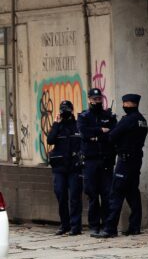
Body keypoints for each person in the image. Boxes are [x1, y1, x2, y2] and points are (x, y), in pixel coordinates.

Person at [96, 94, 148, 238]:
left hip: (125, 161)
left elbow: (113, 136)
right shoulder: (142, 121)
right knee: (133, 193)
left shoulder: (128, 120)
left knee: (116, 193)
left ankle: (110, 229)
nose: (123, 105)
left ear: (129, 104)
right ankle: (134, 227)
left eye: (125, 103)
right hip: (136, 160)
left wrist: (106, 132)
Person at [78, 87, 116, 237]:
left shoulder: (108, 115)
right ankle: (94, 225)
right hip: (90, 161)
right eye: (94, 99)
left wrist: (96, 135)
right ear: (89, 100)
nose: (97, 101)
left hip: (106, 159)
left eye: (99, 99)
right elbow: (84, 133)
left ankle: (107, 225)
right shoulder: (84, 116)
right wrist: (101, 130)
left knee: (107, 194)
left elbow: (113, 133)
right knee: (92, 194)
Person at [47, 100, 82, 236]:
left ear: (72, 110)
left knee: (74, 197)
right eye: (63, 109)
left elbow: (82, 143)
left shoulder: (77, 125)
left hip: (74, 167)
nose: (65, 112)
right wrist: (56, 123)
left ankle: (75, 226)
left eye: (67, 109)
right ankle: (64, 225)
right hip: (59, 168)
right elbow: (50, 140)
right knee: (61, 195)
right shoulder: (58, 126)